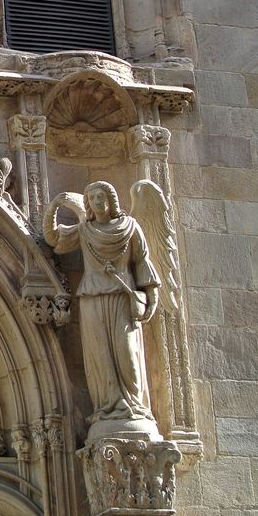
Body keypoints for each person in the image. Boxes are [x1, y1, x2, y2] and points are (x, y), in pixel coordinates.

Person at [44, 182, 160, 438]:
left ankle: (134, 407)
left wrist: (151, 293)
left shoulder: (129, 228)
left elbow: (142, 261)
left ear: (112, 200)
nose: (98, 202)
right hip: (93, 299)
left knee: (127, 352)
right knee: (101, 356)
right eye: (92, 198)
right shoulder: (85, 230)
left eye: (102, 196)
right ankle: (108, 407)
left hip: (121, 298)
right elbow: (54, 239)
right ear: (88, 204)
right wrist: (54, 206)